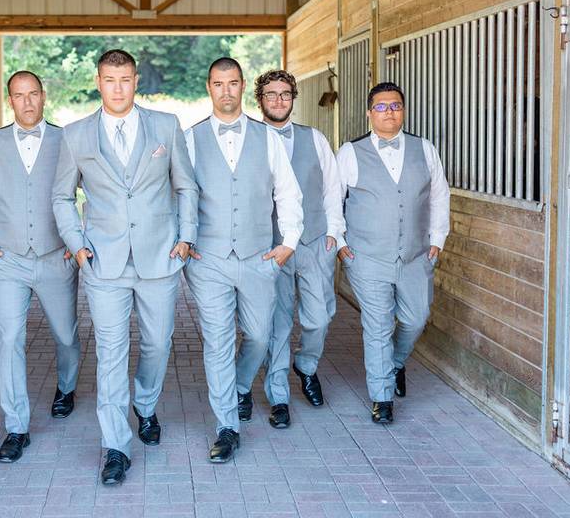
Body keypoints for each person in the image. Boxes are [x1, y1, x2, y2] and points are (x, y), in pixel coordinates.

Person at [52, 49, 198, 485]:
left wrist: (186, 236)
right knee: (110, 355)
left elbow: (185, 185)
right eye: (110, 79)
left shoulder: (166, 126)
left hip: (160, 258)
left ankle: (146, 406)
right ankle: (115, 445)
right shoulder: (76, 135)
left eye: (126, 79)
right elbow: (62, 197)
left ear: (136, 81)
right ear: (98, 81)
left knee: (157, 344)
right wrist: (77, 245)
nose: (118, 87)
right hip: (103, 262)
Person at [183, 57, 303, 463]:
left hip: (257, 256)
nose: (226, 91)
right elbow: (177, 195)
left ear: (241, 86)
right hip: (208, 258)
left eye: (233, 83)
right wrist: (185, 242)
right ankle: (227, 427)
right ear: (209, 87)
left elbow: (287, 191)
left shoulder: (266, 138)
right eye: (218, 84)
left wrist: (288, 242)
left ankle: (238, 385)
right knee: (217, 341)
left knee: (259, 334)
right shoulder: (189, 138)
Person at [0, 70, 81, 463]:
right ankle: (16, 426)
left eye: (33, 94)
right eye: (18, 95)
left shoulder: (67, 140)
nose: (26, 102)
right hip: (6, 259)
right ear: (9, 100)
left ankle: (67, 385)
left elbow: (96, 190)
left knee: (66, 335)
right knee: (9, 339)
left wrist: (77, 241)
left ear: (43, 97)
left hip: (55, 256)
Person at [336, 82, 450, 424]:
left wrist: (437, 240)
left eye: (396, 106)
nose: (390, 112)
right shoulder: (350, 152)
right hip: (366, 256)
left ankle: (395, 363)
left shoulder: (424, 149)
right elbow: (332, 200)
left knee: (416, 319)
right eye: (382, 107)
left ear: (403, 110)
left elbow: (439, 196)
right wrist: (341, 245)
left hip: (416, 256)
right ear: (370, 113)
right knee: (378, 325)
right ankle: (382, 397)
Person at [246, 69, 343, 429]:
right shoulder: (249, 139)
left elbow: (332, 187)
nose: (278, 100)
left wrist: (334, 231)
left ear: (293, 98)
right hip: (271, 246)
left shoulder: (314, 138)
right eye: (271, 94)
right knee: (278, 324)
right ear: (260, 99)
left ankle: (306, 366)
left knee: (319, 317)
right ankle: (278, 397)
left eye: (285, 94)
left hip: (314, 240)